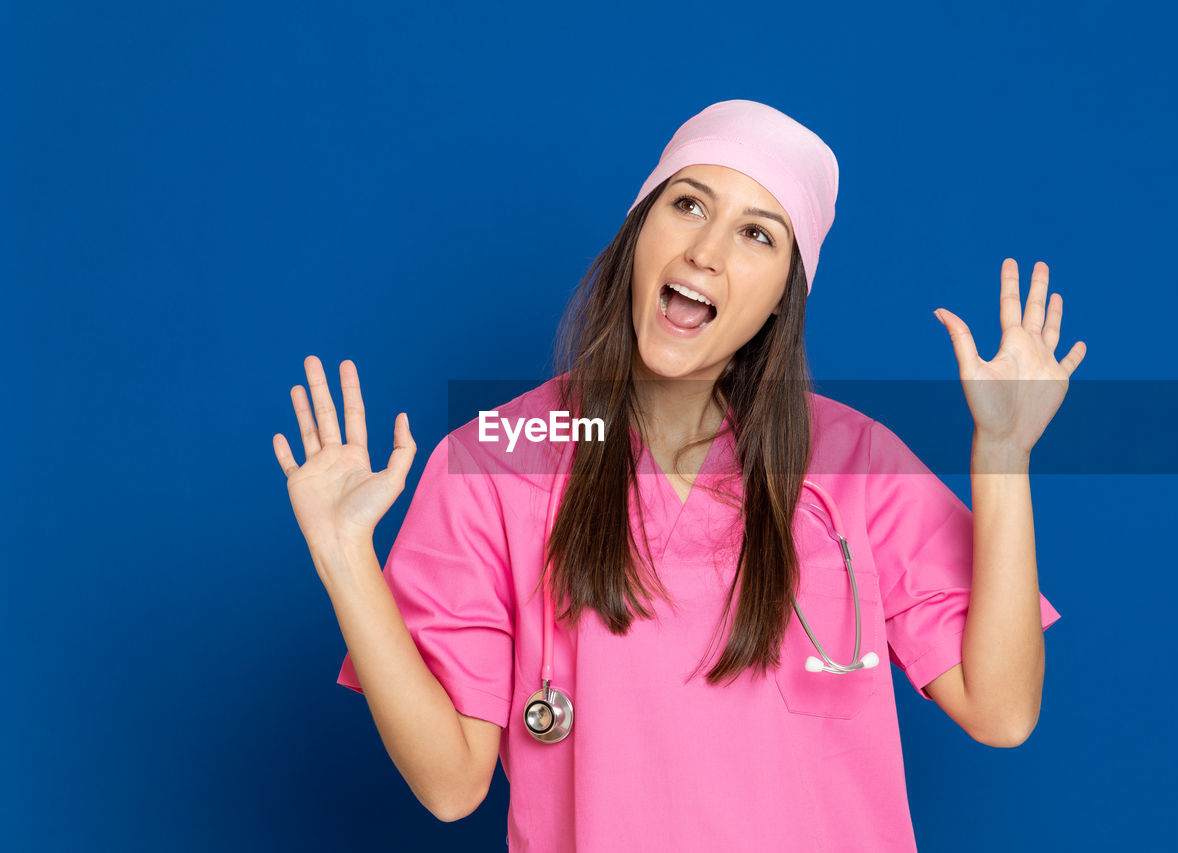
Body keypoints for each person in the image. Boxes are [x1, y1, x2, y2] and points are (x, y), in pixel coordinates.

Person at [273, 99, 1084, 852]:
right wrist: (345, 553)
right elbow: (451, 785)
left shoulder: (852, 460)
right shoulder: (500, 460)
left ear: (781, 301)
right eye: (688, 204)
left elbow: (1002, 709)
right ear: (638, 230)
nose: (706, 249)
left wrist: (1003, 458)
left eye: (758, 234)